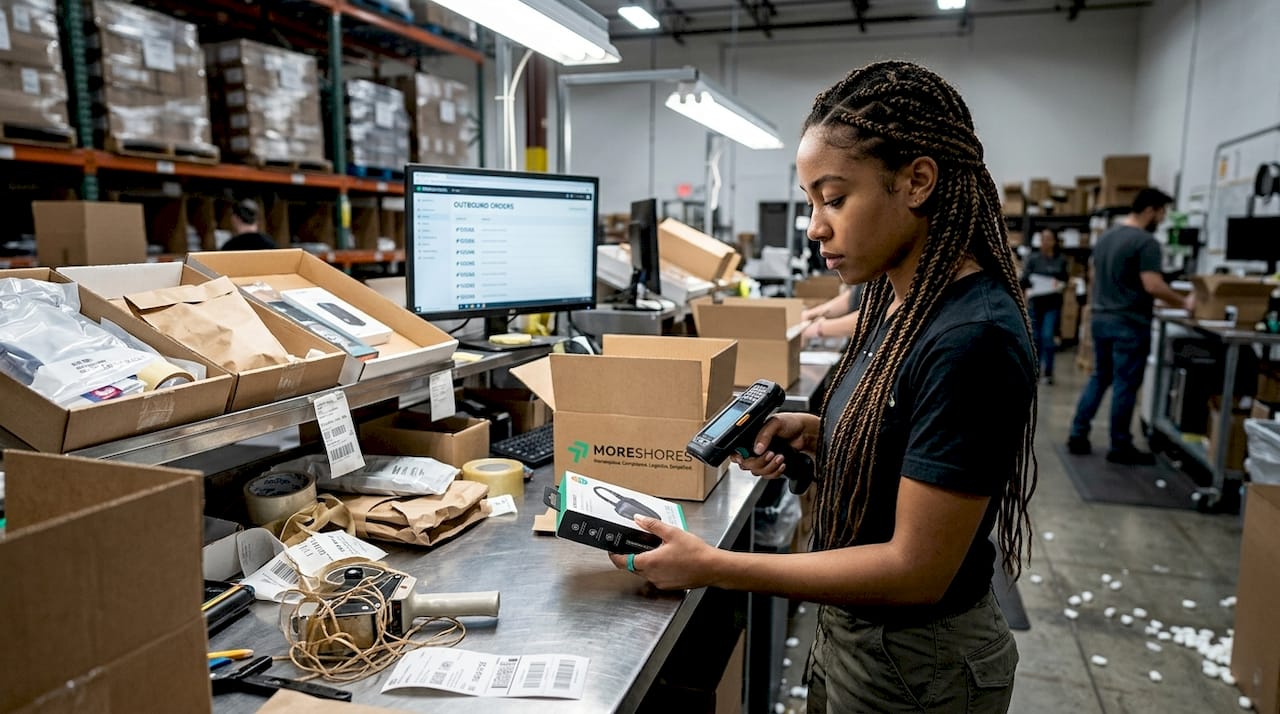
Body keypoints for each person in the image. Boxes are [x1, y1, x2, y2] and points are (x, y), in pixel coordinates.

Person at [609, 61, 1036, 713]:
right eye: (811, 201)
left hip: (918, 666)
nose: (814, 226)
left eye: (834, 198)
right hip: (857, 632)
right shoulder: (894, 303)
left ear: (917, 181)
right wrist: (819, 435)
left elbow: (915, 571)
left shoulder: (972, 337)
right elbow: (901, 431)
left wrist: (711, 565)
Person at [1067, 188, 1192, 465]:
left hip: (1101, 318)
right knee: (1125, 384)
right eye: (1161, 213)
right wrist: (1185, 303)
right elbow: (1152, 284)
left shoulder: (1106, 237)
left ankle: (1078, 433)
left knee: (1100, 377)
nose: (1162, 219)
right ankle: (1120, 445)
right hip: (1128, 323)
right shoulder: (1145, 242)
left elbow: (1096, 276)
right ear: (1150, 210)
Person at [1021, 229, 1069, 384]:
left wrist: (1058, 284)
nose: (1045, 242)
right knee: (1035, 338)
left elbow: (1065, 280)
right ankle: (1034, 370)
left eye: (1049, 239)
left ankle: (1048, 372)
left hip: (1052, 304)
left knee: (1048, 336)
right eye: (1043, 239)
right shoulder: (1033, 259)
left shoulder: (1060, 260)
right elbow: (1025, 280)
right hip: (1036, 303)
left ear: (1055, 241)